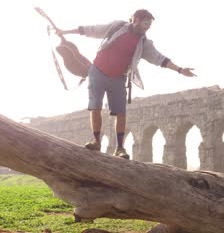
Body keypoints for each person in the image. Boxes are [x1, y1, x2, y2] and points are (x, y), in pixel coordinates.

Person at [56, 9, 196, 159]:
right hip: (97, 71)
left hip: (118, 78)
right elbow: (92, 30)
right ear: (135, 19)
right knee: (95, 105)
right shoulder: (117, 26)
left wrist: (180, 70)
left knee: (120, 113)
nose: (148, 26)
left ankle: (120, 148)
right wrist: (65, 32)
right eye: (146, 22)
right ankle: (96, 141)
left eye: (150, 23)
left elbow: (160, 59)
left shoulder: (144, 42)